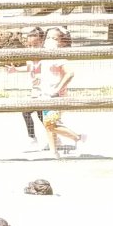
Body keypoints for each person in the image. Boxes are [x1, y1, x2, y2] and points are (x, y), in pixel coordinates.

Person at [37, 26, 86, 158]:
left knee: (50, 123)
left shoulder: (59, 57)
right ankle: (54, 152)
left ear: (62, 42)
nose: (49, 41)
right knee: (48, 124)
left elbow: (70, 73)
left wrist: (58, 89)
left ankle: (78, 138)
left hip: (55, 96)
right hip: (45, 94)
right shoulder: (44, 57)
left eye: (54, 38)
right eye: (48, 38)